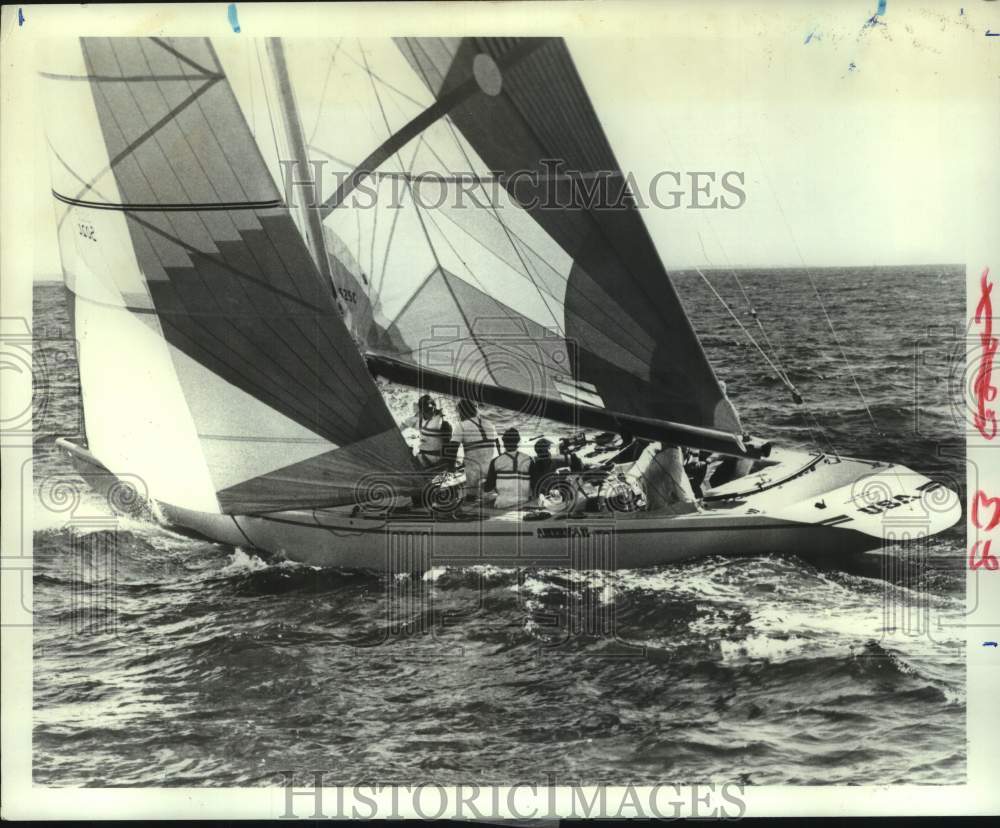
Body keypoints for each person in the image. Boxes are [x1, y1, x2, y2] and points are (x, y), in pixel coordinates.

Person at [622, 441, 700, 514]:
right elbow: (688, 501)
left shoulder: (656, 452)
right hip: (663, 512)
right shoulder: (670, 456)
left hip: (655, 510)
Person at [451, 399, 500, 499]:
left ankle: (471, 496)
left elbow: (452, 449)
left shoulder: (461, 426)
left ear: (462, 412)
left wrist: (451, 467)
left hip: (474, 472)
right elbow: (498, 444)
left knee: (470, 497)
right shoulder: (489, 424)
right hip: (491, 470)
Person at [484, 428, 533, 510]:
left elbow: (488, 488)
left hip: (502, 504)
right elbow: (533, 484)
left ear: (503, 442)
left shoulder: (495, 461)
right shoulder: (528, 459)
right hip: (524, 502)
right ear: (518, 441)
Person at [401, 394, 451, 472]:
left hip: (434, 461)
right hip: (422, 457)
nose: (429, 412)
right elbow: (402, 426)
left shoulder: (443, 423)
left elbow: (448, 448)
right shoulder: (418, 420)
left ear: (434, 407)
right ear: (422, 411)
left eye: (431, 408)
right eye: (426, 410)